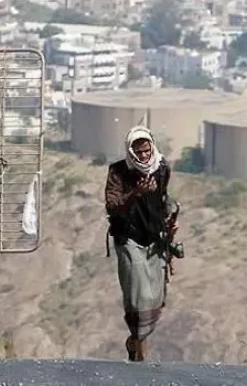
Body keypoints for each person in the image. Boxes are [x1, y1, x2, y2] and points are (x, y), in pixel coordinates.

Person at [103, 125, 179, 362]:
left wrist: (170, 223)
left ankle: (137, 342)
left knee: (156, 296)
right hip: (129, 238)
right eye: (139, 152)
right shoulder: (118, 172)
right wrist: (135, 193)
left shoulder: (162, 168)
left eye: (147, 151)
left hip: (154, 238)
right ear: (130, 151)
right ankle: (138, 344)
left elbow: (162, 199)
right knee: (139, 295)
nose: (144, 156)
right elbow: (112, 206)